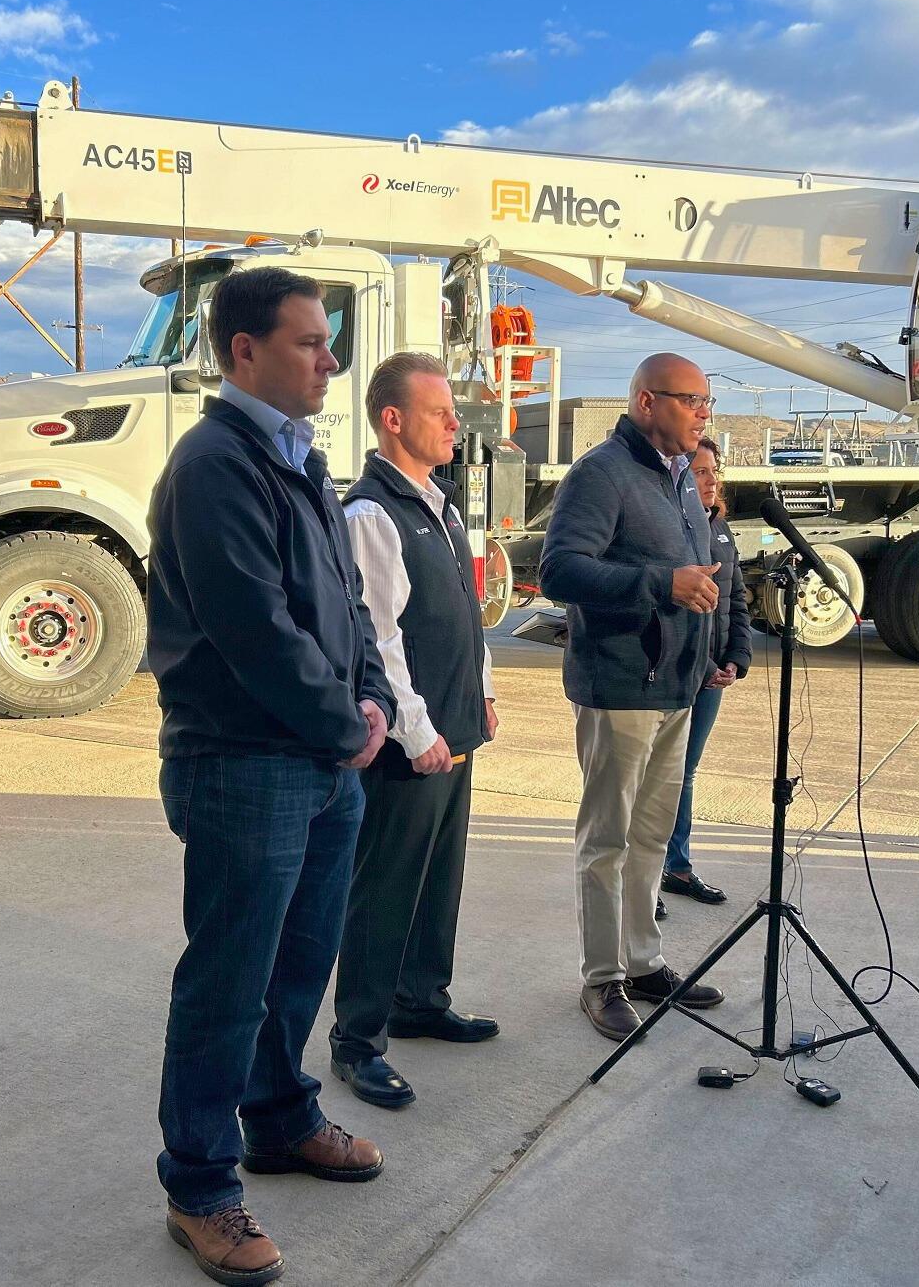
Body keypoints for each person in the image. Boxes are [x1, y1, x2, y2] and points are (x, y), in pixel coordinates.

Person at [147, 266, 397, 1287]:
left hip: (318, 757)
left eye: (329, 341)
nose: (330, 359)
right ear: (242, 352)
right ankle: (200, 1189)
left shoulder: (298, 458)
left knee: (300, 963)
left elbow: (344, 604)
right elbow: (256, 629)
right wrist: (347, 723)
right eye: (309, 342)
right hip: (245, 761)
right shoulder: (216, 464)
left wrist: (370, 697)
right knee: (230, 981)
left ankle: (280, 1120)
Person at [539, 353, 730, 1043]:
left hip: (677, 685)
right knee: (609, 839)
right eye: (692, 401)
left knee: (651, 835)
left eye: (708, 403)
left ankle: (643, 963)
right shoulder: (602, 472)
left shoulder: (682, 478)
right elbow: (560, 570)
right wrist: (662, 584)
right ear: (647, 402)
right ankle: (602, 979)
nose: (704, 414)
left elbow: (704, 571)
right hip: (621, 685)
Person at [330, 352, 500, 1110]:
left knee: (439, 879)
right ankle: (357, 1040)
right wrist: (416, 728)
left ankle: (421, 1000)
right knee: (386, 887)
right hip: (412, 742)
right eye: (441, 412)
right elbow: (379, 638)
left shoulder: (441, 503)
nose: (455, 424)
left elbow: (465, 615)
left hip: (458, 724)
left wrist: (483, 695)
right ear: (393, 420)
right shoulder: (372, 513)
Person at [662, 438, 751, 910]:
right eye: (699, 472)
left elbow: (735, 598)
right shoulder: (673, 532)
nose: (712, 480)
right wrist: (705, 664)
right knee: (657, 775)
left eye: (714, 471)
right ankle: (642, 875)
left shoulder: (720, 529)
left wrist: (736, 658)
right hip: (679, 672)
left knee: (686, 773)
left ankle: (676, 866)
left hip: (713, 675)